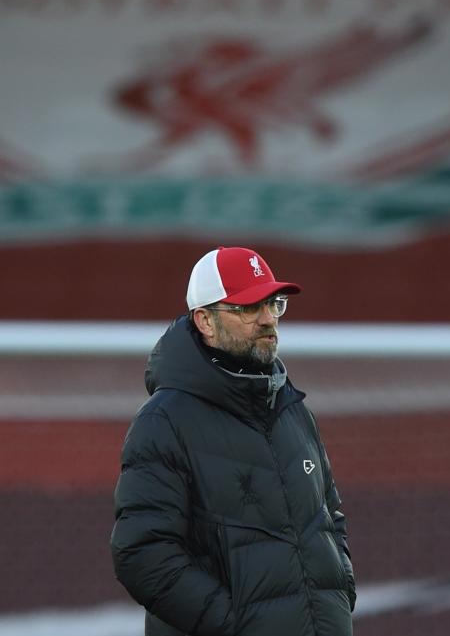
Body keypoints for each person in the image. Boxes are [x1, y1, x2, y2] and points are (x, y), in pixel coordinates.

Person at [111, 246, 356, 636]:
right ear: (205, 321)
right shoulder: (164, 421)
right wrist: (236, 626)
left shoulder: (292, 409)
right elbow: (142, 554)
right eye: (247, 308)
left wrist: (339, 596)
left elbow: (329, 519)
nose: (267, 319)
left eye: (274, 304)